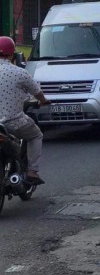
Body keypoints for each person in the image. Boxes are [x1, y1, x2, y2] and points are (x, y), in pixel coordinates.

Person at [0, 36, 50, 184]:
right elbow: (37, 93)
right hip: (12, 123)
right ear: (12, 54)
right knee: (36, 136)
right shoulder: (19, 73)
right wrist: (43, 101)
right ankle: (32, 172)